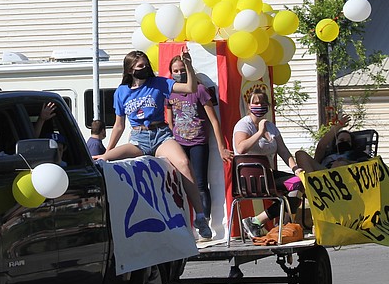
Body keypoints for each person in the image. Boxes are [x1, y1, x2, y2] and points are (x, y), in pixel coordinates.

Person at [97, 50, 213, 239]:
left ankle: (200, 216)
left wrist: (189, 65)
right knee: (104, 161)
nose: (145, 68)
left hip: (160, 135)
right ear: (130, 69)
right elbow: (119, 125)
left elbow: (190, 88)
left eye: (146, 64)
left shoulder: (159, 83)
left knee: (183, 163)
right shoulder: (121, 92)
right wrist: (107, 150)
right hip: (138, 138)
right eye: (140, 66)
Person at [165, 55, 233, 219]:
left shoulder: (199, 90)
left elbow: (214, 121)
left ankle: (204, 221)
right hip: (179, 142)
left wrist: (221, 147)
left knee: (200, 183)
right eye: (176, 71)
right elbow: (169, 120)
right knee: (179, 184)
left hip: (198, 142)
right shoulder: (169, 91)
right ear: (171, 73)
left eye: (182, 70)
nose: (179, 73)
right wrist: (171, 140)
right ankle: (184, 222)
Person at [234, 87, 303, 238]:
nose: (259, 106)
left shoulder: (271, 127)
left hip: (268, 175)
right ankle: (263, 222)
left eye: (263, 103)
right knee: (295, 186)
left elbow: (283, 151)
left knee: (299, 183)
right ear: (249, 105)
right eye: (256, 103)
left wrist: (295, 168)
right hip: (250, 178)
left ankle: (275, 223)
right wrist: (259, 132)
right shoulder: (243, 125)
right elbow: (241, 148)